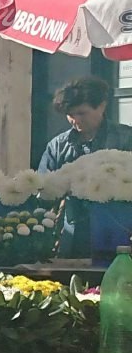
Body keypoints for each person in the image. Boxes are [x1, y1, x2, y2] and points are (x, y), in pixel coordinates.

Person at [37, 76, 132, 255]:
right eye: (70, 115)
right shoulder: (58, 146)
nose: (75, 120)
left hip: (120, 233)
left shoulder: (126, 138)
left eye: (82, 113)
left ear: (102, 106)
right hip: (72, 237)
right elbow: (42, 190)